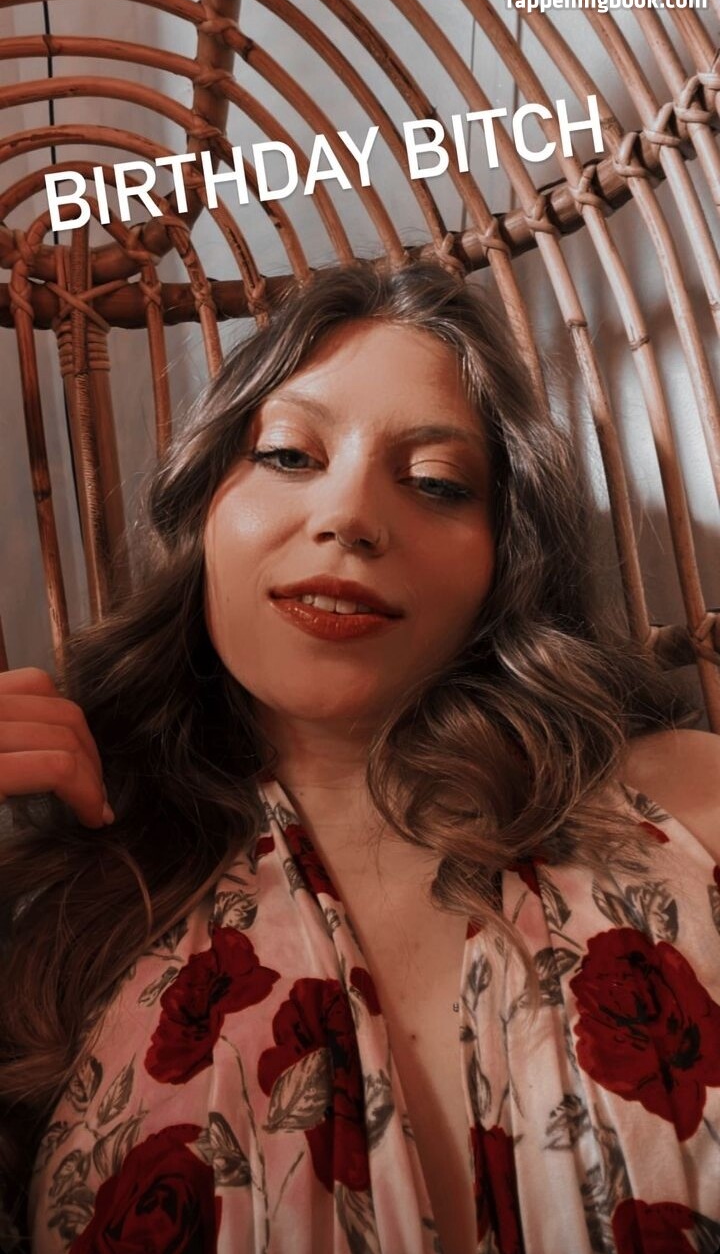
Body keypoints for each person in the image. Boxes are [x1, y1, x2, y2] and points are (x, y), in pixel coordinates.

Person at [0, 260, 719, 1254]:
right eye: (289, 454)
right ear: (204, 514)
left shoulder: (687, 806)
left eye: (437, 482)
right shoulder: (68, 902)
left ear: (504, 557)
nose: (350, 517)